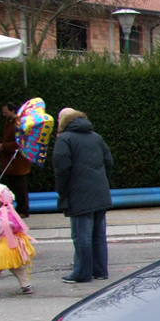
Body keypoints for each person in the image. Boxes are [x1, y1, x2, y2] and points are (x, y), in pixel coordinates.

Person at [52, 108, 113, 283]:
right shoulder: (96, 137)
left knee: (82, 236)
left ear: (63, 121)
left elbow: (61, 169)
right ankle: (100, 271)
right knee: (99, 235)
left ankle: (82, 273)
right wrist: (101, 181)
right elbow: (109, 162)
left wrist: (62, 191)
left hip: (78, 195)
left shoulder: (64, 139)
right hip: (100, 193)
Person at [0, 183, 36, 296]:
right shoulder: (9, 214)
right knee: (16, 267)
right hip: (12, 246)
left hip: (2, 246)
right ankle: (26, 285)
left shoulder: (0, 218)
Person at [0, 101, 32, 217]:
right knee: (13, 187)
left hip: (18, 162)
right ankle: (17, 209)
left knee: (20, 188)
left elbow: (20, 143)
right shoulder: (9, 123)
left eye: (5, 112)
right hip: (10, 162)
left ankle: (23, 210)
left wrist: (4, 146)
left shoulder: (19, 123)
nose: (4, 115)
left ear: (13, 111)